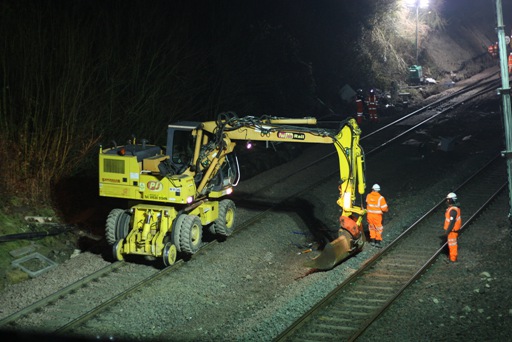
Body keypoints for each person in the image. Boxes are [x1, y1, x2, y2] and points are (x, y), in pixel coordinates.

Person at [443, 192, 462, 262]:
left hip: (452, 231)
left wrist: (447, 232)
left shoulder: (453, 210)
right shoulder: (454, 208)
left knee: (452, 245)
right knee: (452, 244)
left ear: (451, 200)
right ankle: (452, 258)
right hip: (453, 230)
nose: (447, 201)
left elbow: (452, 222)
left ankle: (453, 259)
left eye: (448, 199)